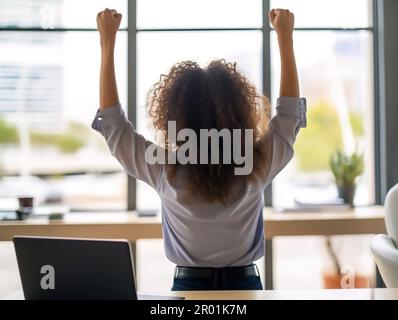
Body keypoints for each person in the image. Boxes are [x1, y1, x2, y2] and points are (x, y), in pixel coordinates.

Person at [93, 8, 306, 291]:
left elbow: (115, 126)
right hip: (245, 285)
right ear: (240, 111)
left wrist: (107, 43)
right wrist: (284, 38)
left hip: (188, 285)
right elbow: (288, 116)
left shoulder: (165, 167)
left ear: (176, 116)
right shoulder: (257, 162)